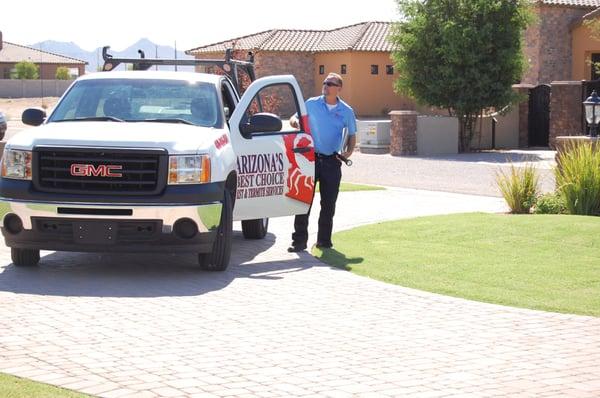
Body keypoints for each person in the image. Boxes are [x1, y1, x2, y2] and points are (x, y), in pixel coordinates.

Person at [287, 72, 357, 252]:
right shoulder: (311, 103)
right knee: (304, 203)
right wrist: (296, 122)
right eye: (325, 82)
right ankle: (299, 242)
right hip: (309, 160)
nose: (325, 85)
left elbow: (351, 136)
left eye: (330, 83)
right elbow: (294, 117)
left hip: (332, 163)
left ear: (339, 88)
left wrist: (346, 154)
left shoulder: (346, 111)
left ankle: (324, 241)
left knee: (328, 204)